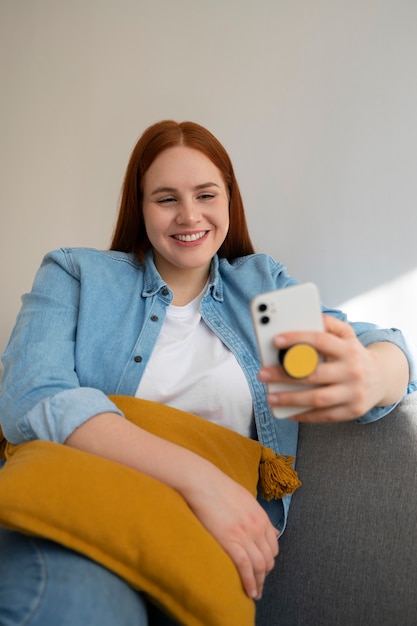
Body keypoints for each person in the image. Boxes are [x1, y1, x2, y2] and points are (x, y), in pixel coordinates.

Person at [0, 120, 415, 626]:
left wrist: (372, 375)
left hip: (206, 552)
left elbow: (382, 345)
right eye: (166, 198)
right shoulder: (77, 274)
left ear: (229, 200)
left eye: (205, 194)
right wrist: (202, 481)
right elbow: (31, 395)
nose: (189, 215)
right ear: (141, 206)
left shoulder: (261, 290)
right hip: (80, 522)